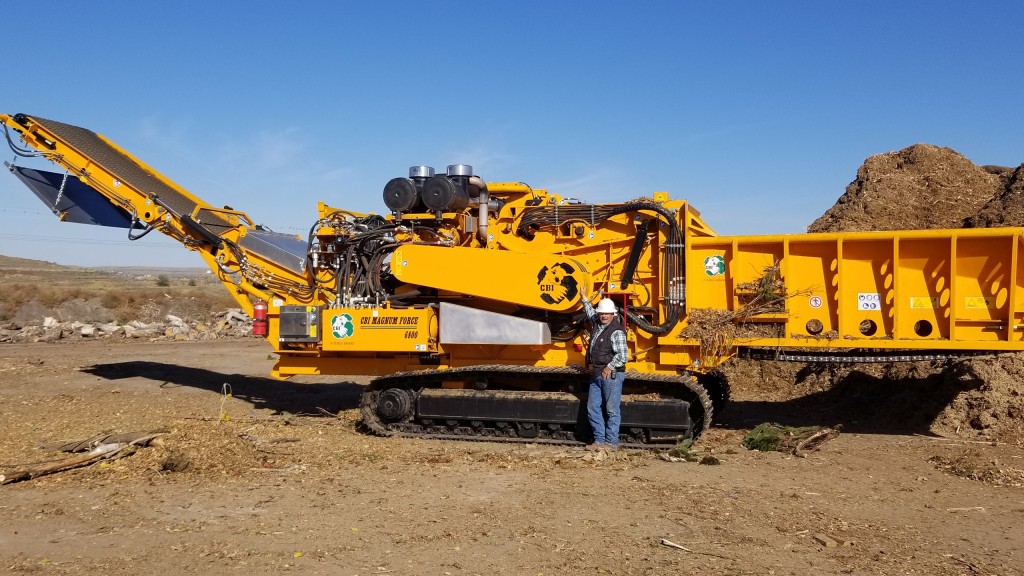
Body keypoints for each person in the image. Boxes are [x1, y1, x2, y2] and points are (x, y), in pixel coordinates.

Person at [580, 293, 629, 450]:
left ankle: (611, 442)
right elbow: (590, 313)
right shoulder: (597, 324)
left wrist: (609, 367)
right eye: (602, 313)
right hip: (596, 373)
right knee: (592, 407)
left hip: (610, 375)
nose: (604, 316)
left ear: (613, 314)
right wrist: (584, 297)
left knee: (612, 410)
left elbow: (623, 356)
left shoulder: (617, 331)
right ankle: (599, 440)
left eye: (607, 313)